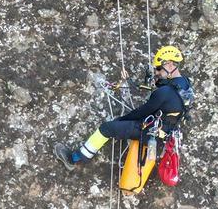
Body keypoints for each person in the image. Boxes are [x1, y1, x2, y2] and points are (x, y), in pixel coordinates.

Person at [53, 45, 194, 169]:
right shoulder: (185, 84)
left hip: (151, 132)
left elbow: (141, 112)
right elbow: (165, 97)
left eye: (158, 68)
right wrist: (132, 82)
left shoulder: (165, 92)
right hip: (166, 131)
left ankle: (74, 159)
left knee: (106, 128)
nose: (157, 72)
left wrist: (120, 121)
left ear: (170, 65)